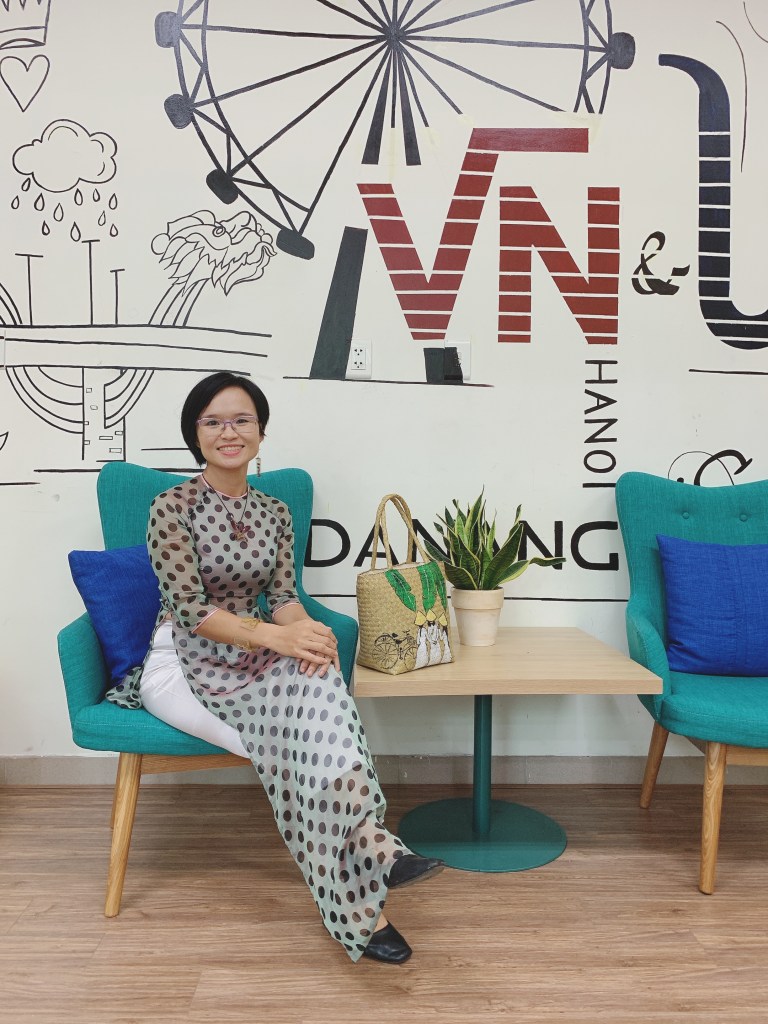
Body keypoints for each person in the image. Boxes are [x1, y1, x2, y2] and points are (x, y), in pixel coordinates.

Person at [106, 371, 443, 963]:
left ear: (260, 431)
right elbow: (190, 610)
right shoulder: (170, 507)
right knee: (301, 748)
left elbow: (283, 596)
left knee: (322, 678)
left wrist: (303, 633)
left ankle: (368, 862)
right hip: (183, 663)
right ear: (195, 433)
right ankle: (368, 889)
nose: (228, 432)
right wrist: (278, 637)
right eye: (213, 421)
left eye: (242, 420)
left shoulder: (276, 511)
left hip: (254, 657)